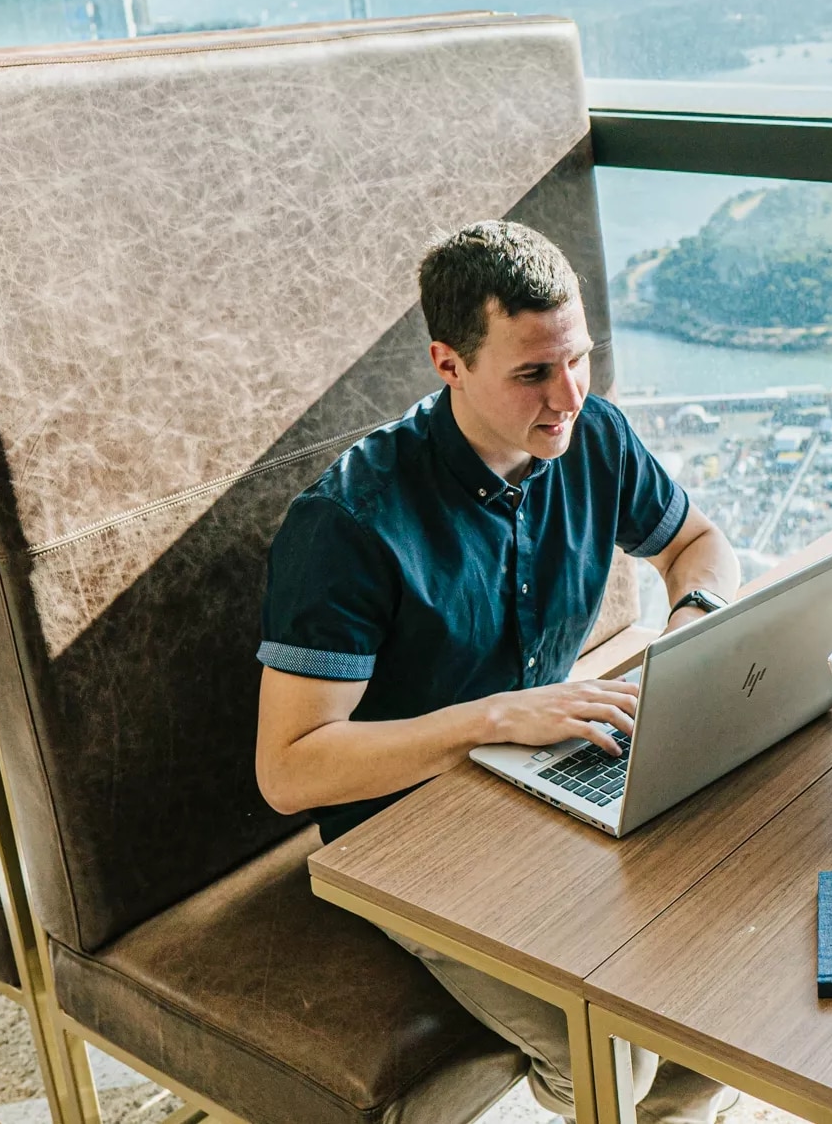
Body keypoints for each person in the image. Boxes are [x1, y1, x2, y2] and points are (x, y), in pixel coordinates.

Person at [255, 220, 741, 1124]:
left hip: (544, 775)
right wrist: (490, 720)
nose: (567, 397)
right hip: (403, 832)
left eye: (579, 360)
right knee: (603, 1051)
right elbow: (289, 771)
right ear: (448, 364)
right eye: (532, 375)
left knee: (718, 961)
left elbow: (698, 543)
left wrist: (693, 627)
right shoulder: (349, 523)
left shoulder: (591, 435)